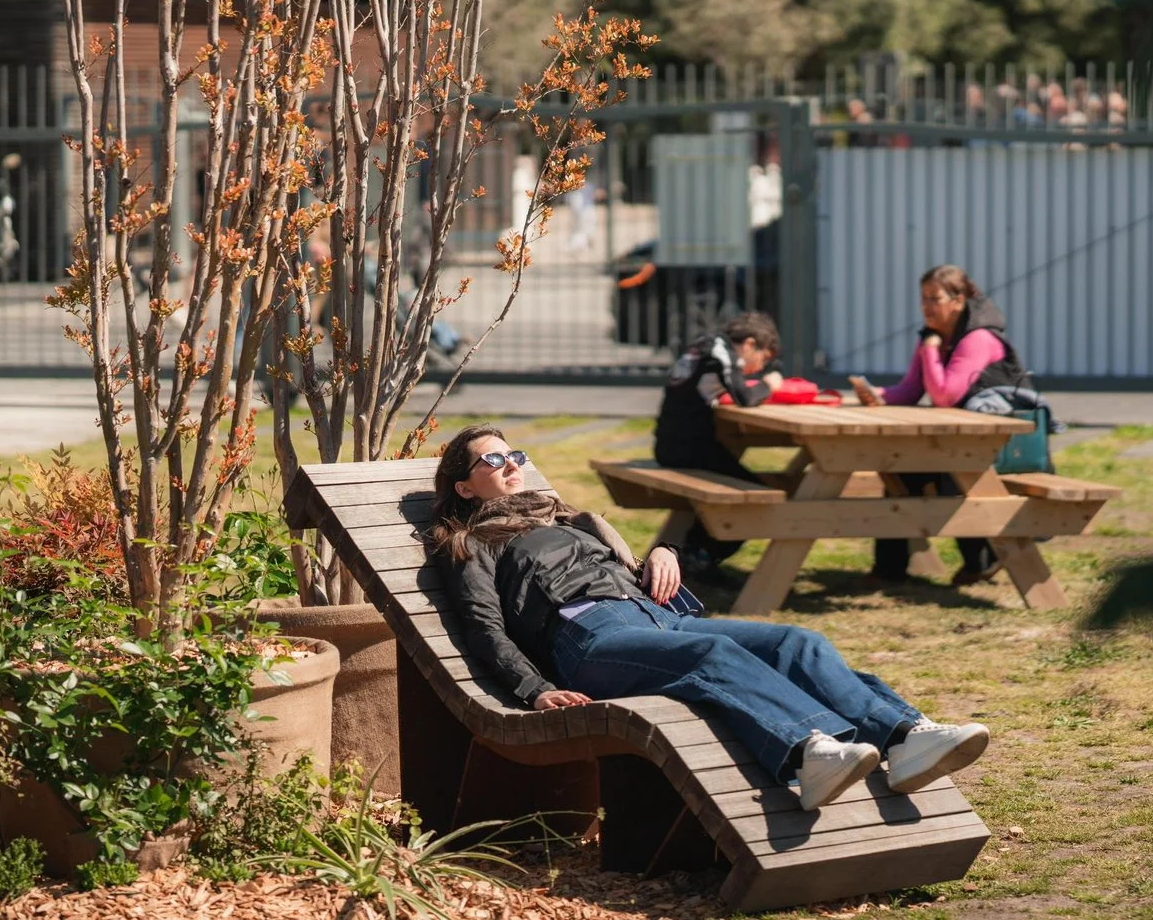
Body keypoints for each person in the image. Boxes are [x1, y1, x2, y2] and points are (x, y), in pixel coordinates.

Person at [432, 424, 991, 812]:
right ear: (464, 486)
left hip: (655, 618)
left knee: (796, 642)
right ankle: (809, 755)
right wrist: (534, 690)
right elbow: (484, 626)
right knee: (714, 655)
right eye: (492, 460)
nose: (511, 464)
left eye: (515, 455)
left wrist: (662, 552)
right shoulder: (472, 542)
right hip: (588, 639)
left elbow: (628, 570)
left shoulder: (566, 519)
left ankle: (902, 738)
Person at [858, 264, 1030, 586]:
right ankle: (890, 569)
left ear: (958, 300)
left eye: (934, 298)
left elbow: (944, 395)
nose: (926, 307)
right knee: (899, 471)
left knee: (949, 475)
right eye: (923, 298)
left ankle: (982, 560)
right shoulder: (935, 337)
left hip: (1002, 446)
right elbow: (911, 389)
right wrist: (877, 395)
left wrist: (931, 349)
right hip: (961, 442)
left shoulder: (978, 338)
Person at [652, 311, 781, 584]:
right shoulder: (721, 354)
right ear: (749, 344)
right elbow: (745, 397)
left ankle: (695, 553)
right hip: (689, 449)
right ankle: (701, 555)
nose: (759, 368)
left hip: (670, 444)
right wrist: (768, 385)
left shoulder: (703, 346)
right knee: (755, 495)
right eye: (763, 359)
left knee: (742, 485)